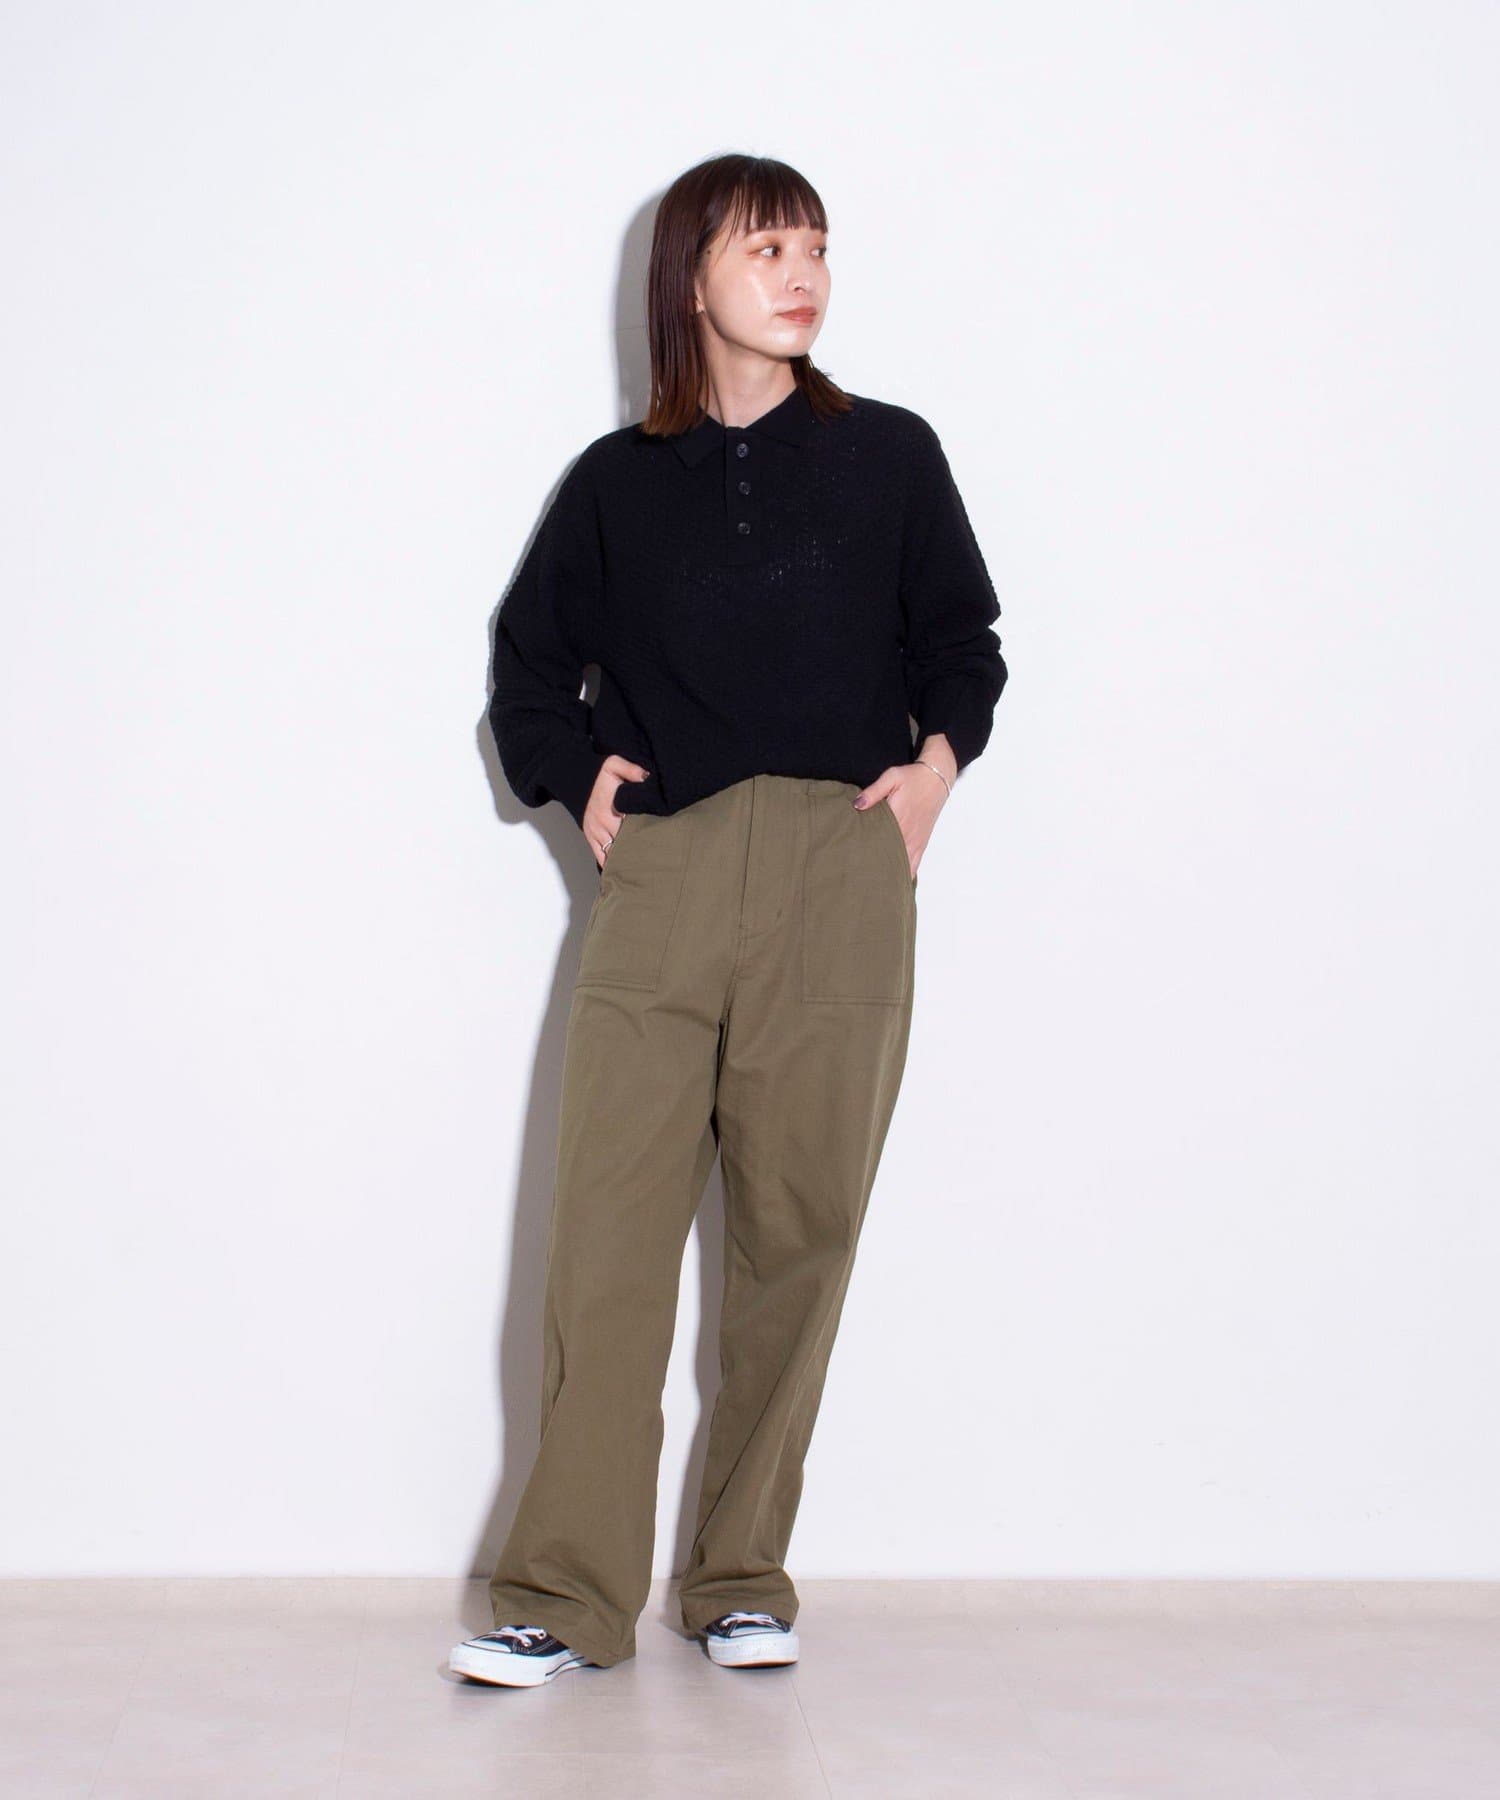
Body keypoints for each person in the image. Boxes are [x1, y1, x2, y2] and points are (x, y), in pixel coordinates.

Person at [450, 152, 1007, 1688]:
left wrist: (934, 774)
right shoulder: (618, 484)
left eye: (816, 245)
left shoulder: (890, 455)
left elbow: (965, 640)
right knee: (606, 1246)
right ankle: (563, 1597)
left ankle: (741, 1576)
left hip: (842, 867)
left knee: (797, 1238)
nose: (802, 272)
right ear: (690, 277)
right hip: (670, 873)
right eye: (767, 247)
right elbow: (525, 668)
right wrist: (579, 780)